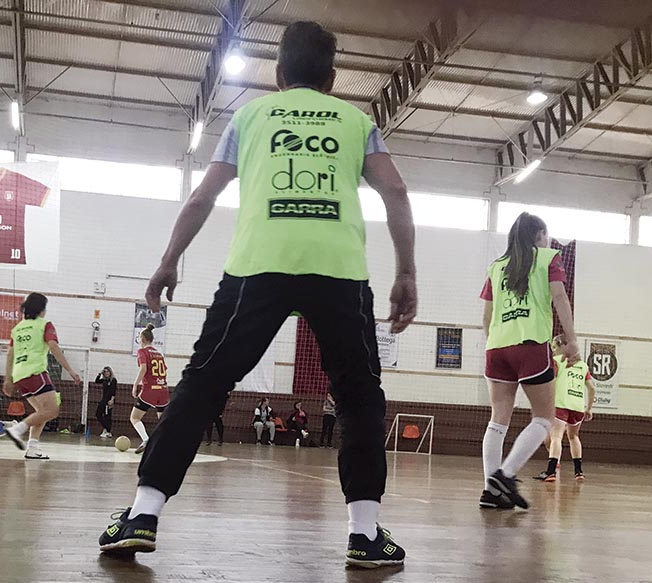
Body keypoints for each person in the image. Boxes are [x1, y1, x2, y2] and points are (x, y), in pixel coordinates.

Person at [99, 21, 417, 569]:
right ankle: (364, 534)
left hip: (257, 269)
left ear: (279, 73)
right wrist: (406, 271)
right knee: (359, 394)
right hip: (338, 271)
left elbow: (204, 196)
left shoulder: (249, 118)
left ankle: (143, 514)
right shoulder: (356, 120)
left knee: (204, 383)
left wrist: (168, 260)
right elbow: (395, 189)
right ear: (333, 77)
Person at [479, 212, 579, 510]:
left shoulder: (497, 267)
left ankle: (490, 490)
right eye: (545, 234)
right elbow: (559, 297)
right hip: (530, 345)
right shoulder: (549, 257)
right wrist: (572, 339)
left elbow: (487, 315)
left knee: (498, 419)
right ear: (539, 235)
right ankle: (505, 476)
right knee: (544, 417)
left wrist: (496, 342)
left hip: (496, 347)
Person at [2, 293, 82, 460]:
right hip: (35, 372)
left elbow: (10, 354)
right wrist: (70, 370)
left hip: (19, 375)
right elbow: (54, 347)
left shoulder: (17, 329)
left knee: (42, 412)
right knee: (52, 410)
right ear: (41, 310)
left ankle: (32, 448)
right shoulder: (44, 325)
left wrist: (8, 379)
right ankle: (17, 429)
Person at [535, 336, 595, 482]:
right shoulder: (582, 365)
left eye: (554, 347)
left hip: (561, 404)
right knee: (574, 437)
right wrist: (589, 408)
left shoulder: (558, 362)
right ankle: (578, 472)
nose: (553, 351)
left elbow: (551, 383)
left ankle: (551, 472)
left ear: (561, 346)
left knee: (556, 437)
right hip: (578, 407)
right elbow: (592, 388)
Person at [130, 324, 169, 454]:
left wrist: (135, 384)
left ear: (142, 339)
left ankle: (146, 439)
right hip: (163, 389)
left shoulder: (142, 352)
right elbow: (164, 371)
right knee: (163, 421)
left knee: (135, 418)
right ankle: (168, 445)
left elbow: (143, 368)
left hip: (150, 390)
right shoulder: (159, 354)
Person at [95, 366, 118, 438]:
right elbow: (96, 381)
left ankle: (108, 431)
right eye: (105, 372)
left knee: (107, 416)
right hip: (103, 400)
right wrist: (100, 374)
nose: (106, 373)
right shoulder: (104, 380)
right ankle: (106, 428)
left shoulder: (113, 380)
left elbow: (114, 391)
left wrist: (112, 400)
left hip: (109, 400)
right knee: (98, 414)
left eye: (107, 371)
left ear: (110, 372)